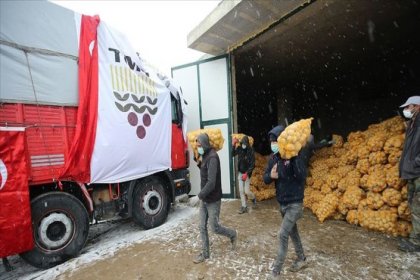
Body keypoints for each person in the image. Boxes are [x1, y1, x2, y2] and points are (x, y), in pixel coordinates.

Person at [263, 125, 308, 279]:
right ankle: (301, 258)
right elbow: (265, 179)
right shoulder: (274, 158)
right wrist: (271, 176)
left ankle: (276, 271)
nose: (273, 144)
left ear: (282, 140)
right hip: (282, 204)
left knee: (282, 234)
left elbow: (302, 176)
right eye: (271, 141)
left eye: (275, 141)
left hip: (295, 204)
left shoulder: (296, 155)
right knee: (292, 232)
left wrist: (293, 158)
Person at [191, 133, 238, 264]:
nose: (198, 147)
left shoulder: (212, 158)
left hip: (213, 200)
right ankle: (205, 254)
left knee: (214, 227)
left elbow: (211, 182)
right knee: (202, 226)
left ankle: (233, 234)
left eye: (199, 145)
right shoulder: (205, 155)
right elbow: (205, 172)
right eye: (197, 145)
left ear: (205, 144)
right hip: (205, 199)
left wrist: (198, 196)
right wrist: (198, 163)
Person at [398, 95, 420, 252]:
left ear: (417, 106)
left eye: (408, 107)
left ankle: (416, 242)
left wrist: (415, 163)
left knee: (418, 207)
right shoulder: (413, 124)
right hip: (412, 172)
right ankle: (415, 238)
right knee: (414, 206)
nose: (406, 110)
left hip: (417, 172)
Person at [232, 135, 256, 214]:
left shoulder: (251, 151)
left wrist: (247, 173)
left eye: (245, 144)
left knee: (247, 191)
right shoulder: (239, 149)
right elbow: (232, 154)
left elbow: (252, 165)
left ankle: (253, 198)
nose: (243, 145)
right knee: (241, 190)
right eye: (242, 143)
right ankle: (244, 206)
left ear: (248, 144)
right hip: (240, 172)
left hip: (247, 173)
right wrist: (233, 145)